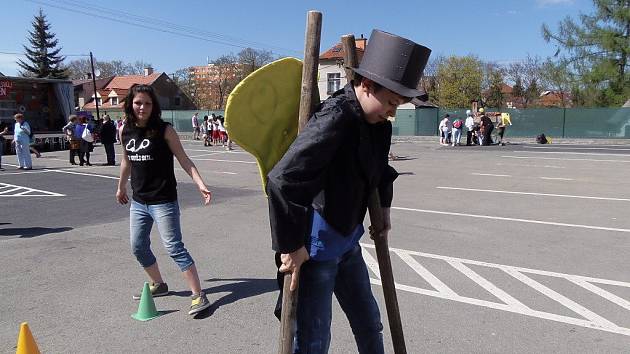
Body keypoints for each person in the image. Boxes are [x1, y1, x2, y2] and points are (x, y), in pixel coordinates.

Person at [267, 29, 431, 353]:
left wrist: (383, 210)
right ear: (367, 86)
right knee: (313, 341)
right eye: (391, 103)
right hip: (316, 250)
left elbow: (379, 169)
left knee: (370, 324)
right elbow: (282, 180)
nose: (392, 113)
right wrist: (292, 247)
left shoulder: (378, 123)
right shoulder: (334, 117)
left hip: (348, 243)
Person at [116, 84, 212, 316]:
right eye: (138, 102)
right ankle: (158, 284)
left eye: (147, 103)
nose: (142, 107)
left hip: (163, 200)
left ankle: (198, 295)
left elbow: (184, 160)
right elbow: (126, 161)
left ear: (153, 106)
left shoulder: (164, 130)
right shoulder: (125, 130)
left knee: (174, 247)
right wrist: (120, 187)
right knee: (138, 246)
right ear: (131, 103)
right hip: (139, 201)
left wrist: (200, 184)